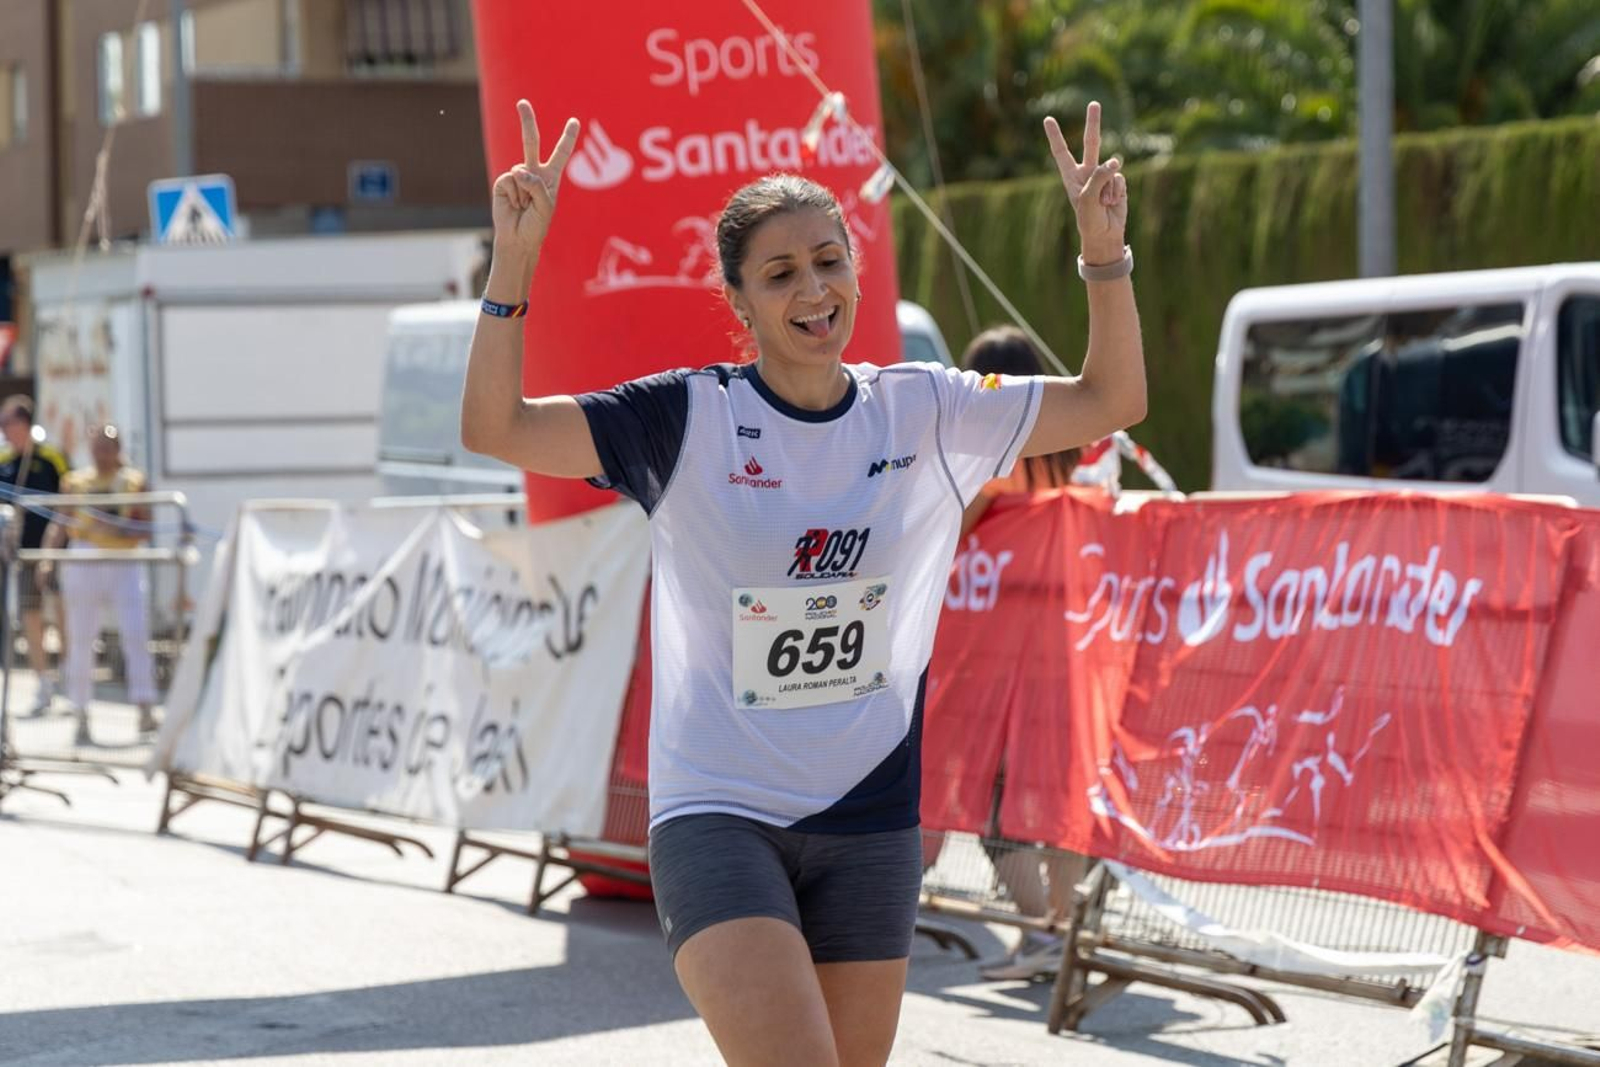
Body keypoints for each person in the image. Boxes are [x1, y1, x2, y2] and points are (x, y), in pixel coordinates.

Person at [460, 97, 1144, 1066]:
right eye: (780, 273)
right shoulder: (685, 417)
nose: (813, 288)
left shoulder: (923, 408)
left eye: (829, 261)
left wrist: (1103, 259)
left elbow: (1112, 399)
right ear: (739, 301)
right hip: (719, 813)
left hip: (869, 817)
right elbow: (498, 428)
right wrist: (513, 267)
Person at [955, 326, 1091, 982]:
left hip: (1001, 652)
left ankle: (1038, 927)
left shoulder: (989, 463)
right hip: (1072, 647)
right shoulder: (1076, 451)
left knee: (996, 801)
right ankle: (1063, 931)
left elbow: (953, 529)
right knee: (1060, 791)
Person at [44, 425, 158, 743]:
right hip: (85, 558)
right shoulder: (76, 482)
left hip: (123, 559)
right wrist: (48, 558)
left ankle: (145, 705)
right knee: (81, 637)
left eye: (108, 447)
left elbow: (146, 527)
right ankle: (80, 710)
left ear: (118, 449)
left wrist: (119, 529)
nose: (102, 453)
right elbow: (61, 523)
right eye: (97, 446)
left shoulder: (134, 482)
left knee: (135, 632)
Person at [0, 395, 70, 718]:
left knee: (62, 613)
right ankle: (43, 680)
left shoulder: (52, 458)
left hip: (57, 552)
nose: (4, 430)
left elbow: (70, 497)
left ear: (24, 423)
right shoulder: (4, 463)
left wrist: (53, 550)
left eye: (7, 423)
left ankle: (70, 674)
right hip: (23, 555)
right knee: (30, 616)